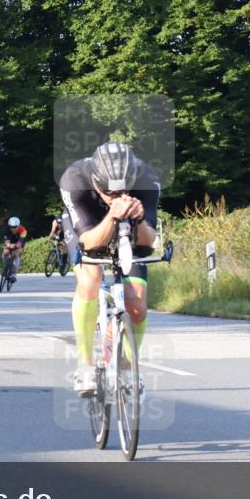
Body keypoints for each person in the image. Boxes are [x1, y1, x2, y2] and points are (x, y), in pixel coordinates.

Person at [59, 142, 160, 394]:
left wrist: (138, 219)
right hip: (87, 227)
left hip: (130, 229)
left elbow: (148, 242)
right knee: (90, 279)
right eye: (107, 191)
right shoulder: (74, 179)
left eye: (122, 191)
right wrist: (113, 215)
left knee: (136, 306)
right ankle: (85, 365)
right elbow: (89, 242)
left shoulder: (146, 178)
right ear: (95, 181)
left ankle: (128, 367)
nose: (115, 196)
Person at [2, 217, 27, 283]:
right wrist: (8, 245)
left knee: (17, 253)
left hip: (19, 241)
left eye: (15, 227)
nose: (13, 229)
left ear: (18, 226)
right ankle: (6, 266)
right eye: (11, 227)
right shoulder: (7, 229)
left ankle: (14, 274)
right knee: (5, 252)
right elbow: (6, 241)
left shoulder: (23, 230)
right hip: (11, 241)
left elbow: (19, 244)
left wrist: (15, 246)